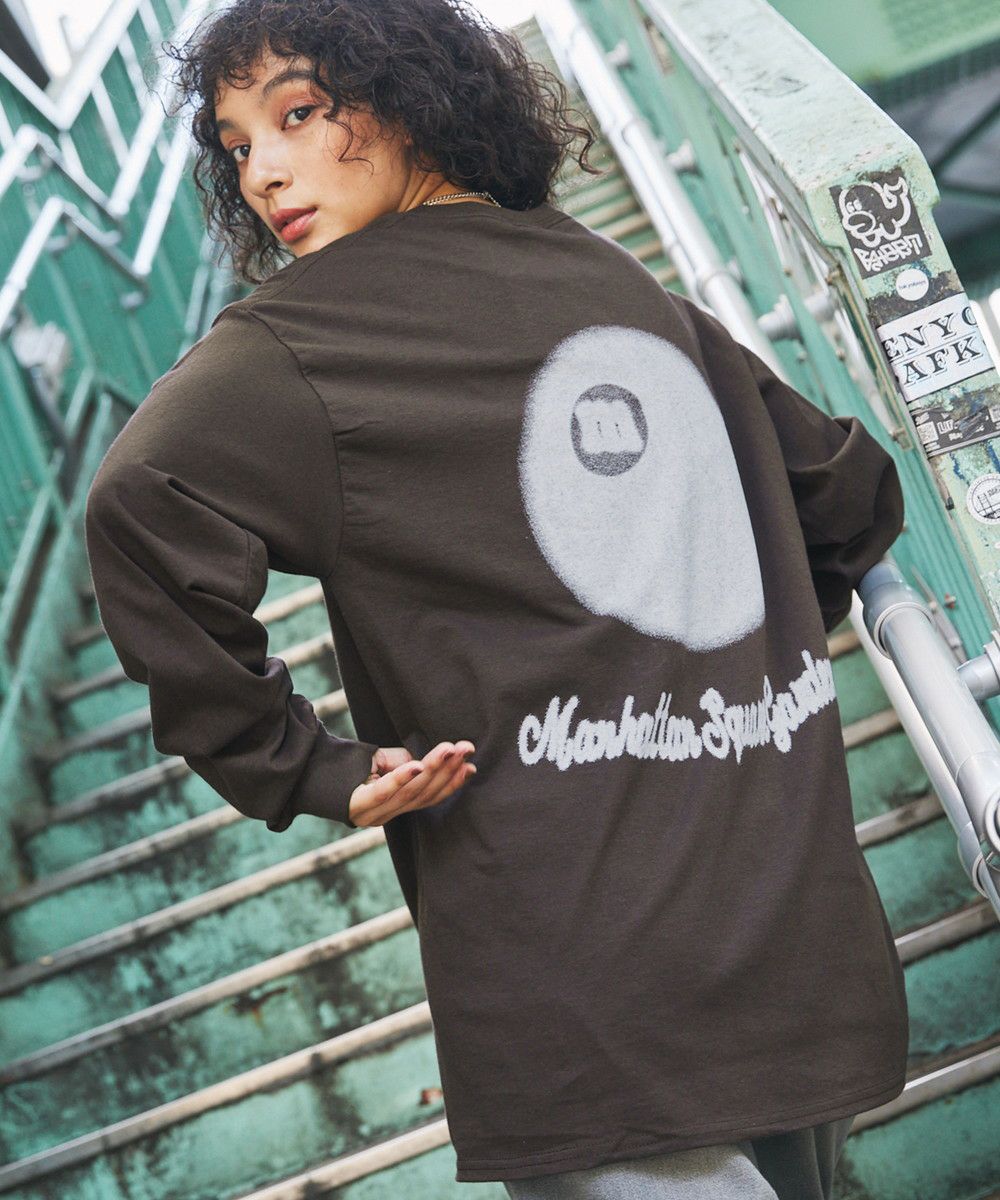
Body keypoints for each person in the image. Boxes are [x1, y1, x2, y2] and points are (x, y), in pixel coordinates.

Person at [83, 1, 910, 1196]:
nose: (261, 172)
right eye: (237, 144)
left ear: (411, 98)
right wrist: (739, 656)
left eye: (299, 114)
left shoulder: (299, 345)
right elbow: (843, 493)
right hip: (783, 912)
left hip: (574, 970)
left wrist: (297, 763)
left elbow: (136, 502)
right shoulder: (614, 280)